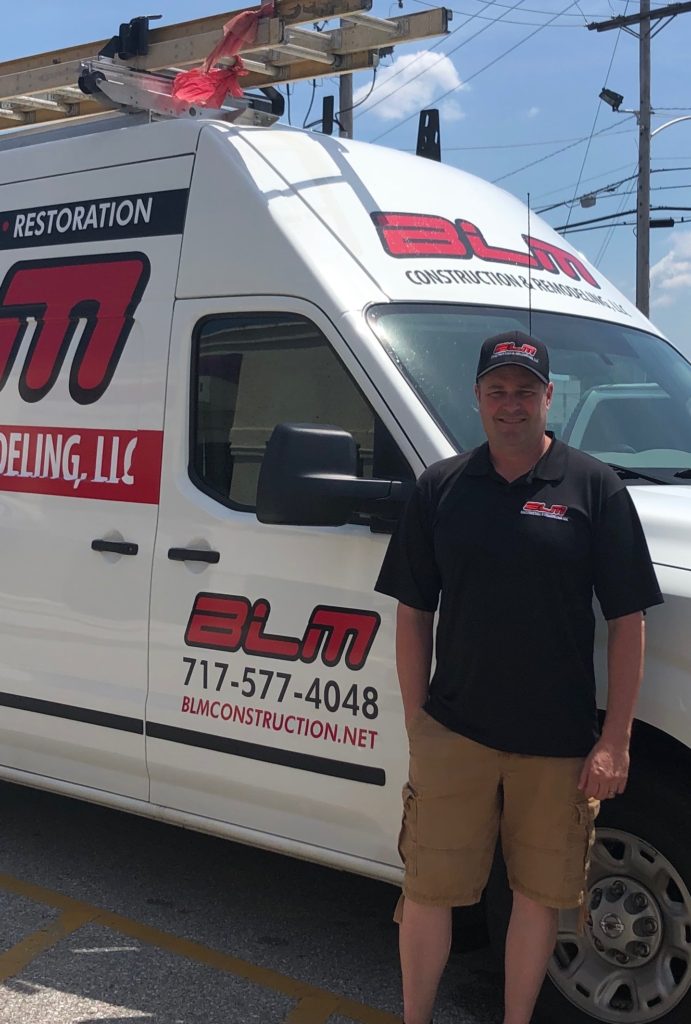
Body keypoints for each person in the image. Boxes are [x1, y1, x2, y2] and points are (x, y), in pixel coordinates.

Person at [374, 331, 664, 1024]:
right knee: (429, 889)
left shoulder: (592, 486)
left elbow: (628, 621)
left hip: (557, 743)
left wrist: (614, 741)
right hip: (455, 733)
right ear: (476, 397)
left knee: (537, 897)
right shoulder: (440, 488)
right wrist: (418, 721)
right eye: (498, 391)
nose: (512, 405)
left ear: (547, 397)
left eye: (525, 391)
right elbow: (412, 613)